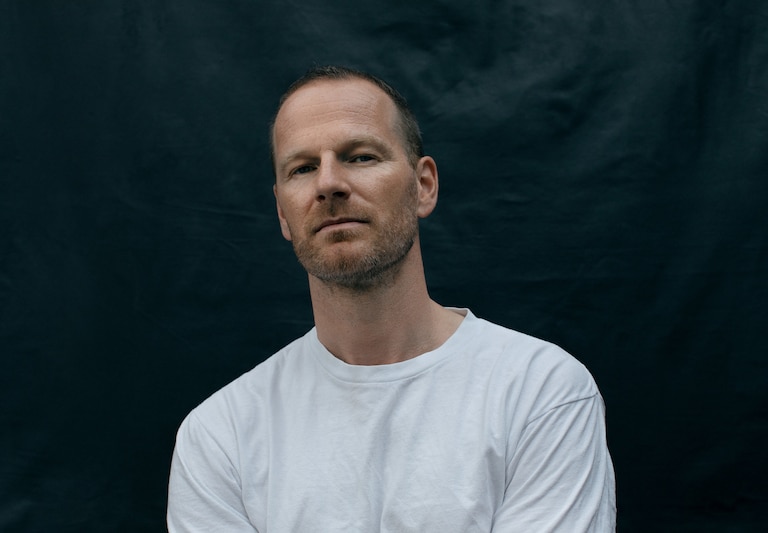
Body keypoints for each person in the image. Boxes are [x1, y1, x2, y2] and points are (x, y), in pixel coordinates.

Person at [167, 65, 616, 532]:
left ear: (423, 185)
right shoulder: (221, 435)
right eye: (302, 168)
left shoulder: (539, 392)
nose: (328, 184)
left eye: (360, 156)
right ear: (283, 212)